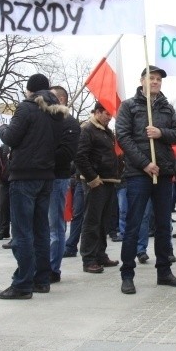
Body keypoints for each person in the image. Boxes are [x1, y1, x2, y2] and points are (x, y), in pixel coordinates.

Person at [115, 65, 176, 295]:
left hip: (164, 172)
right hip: (139, 174)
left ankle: (164, 271)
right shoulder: (129, 106)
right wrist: (145, 164)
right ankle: (127, 273)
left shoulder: (167, 108)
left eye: (158, 79)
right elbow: (123, 138)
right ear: (142, 80)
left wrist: (161, 133)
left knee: (164, 224)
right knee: (134, 224)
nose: (156, 82)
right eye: (152, 78)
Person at [0, 73, 66, 300]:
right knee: (41, 230)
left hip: (24, 175)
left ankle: (22, 283)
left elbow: (12, 138)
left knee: (23, 232)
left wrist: (2, 129)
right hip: (46, 175)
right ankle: (41, 279)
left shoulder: (26, 108)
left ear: (29, 90)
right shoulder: (57, 113)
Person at [76, 102, 121, 274]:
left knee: (104, 221)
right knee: (92, 221)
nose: (110, 118)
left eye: (110, 114)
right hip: (96, 182)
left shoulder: (107, 132)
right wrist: (92, 177)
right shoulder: (87, 129)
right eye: (107, 114)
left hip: (109, 180)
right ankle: (88, 259)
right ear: (97, 112)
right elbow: (80, 156)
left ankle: (100, 254)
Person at [48, 85, 81, 283]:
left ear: (61, 100)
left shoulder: (69, 123)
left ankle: (53, 268)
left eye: (50, 97)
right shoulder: (47, 121)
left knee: (55, 225)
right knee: (43, 226)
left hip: (57, 178)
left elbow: (67, 154)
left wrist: (42, 156)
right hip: (41, 177)